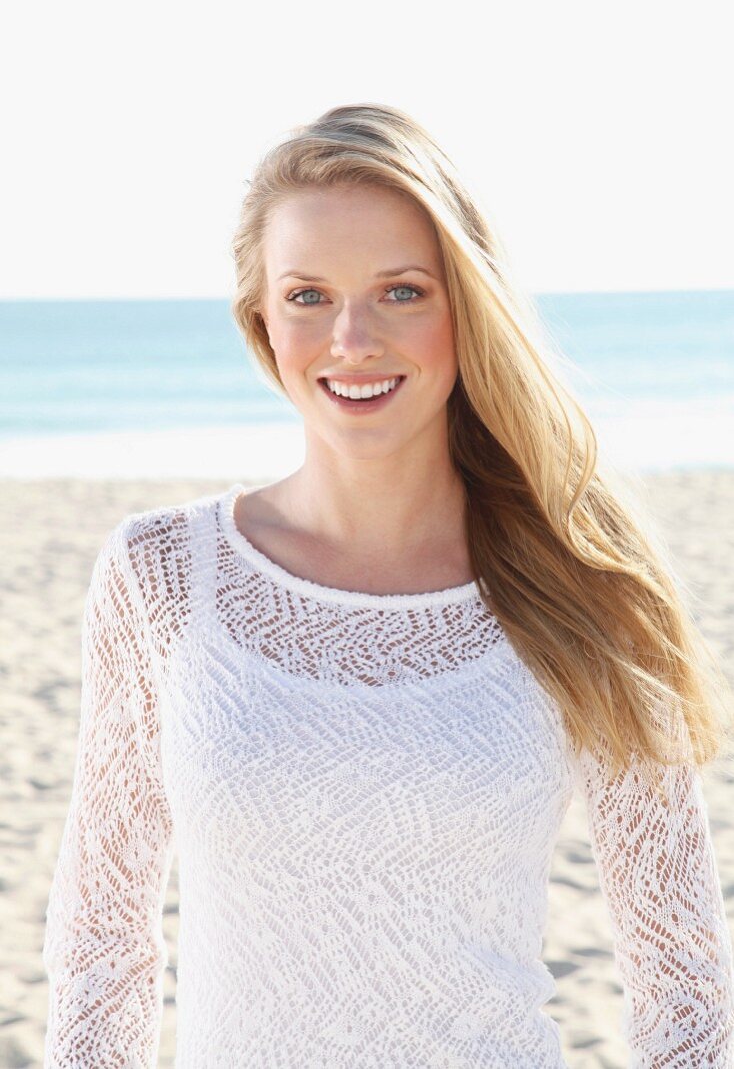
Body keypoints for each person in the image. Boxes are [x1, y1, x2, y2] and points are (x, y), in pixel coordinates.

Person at [42, 103, 734, 1067]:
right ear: (263, 322)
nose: (352, 338)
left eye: (402, 292)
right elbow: (102, 939)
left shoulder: (584, 586)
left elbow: (683, 979)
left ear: (466, 307)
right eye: (309, 296)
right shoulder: (163, 576)